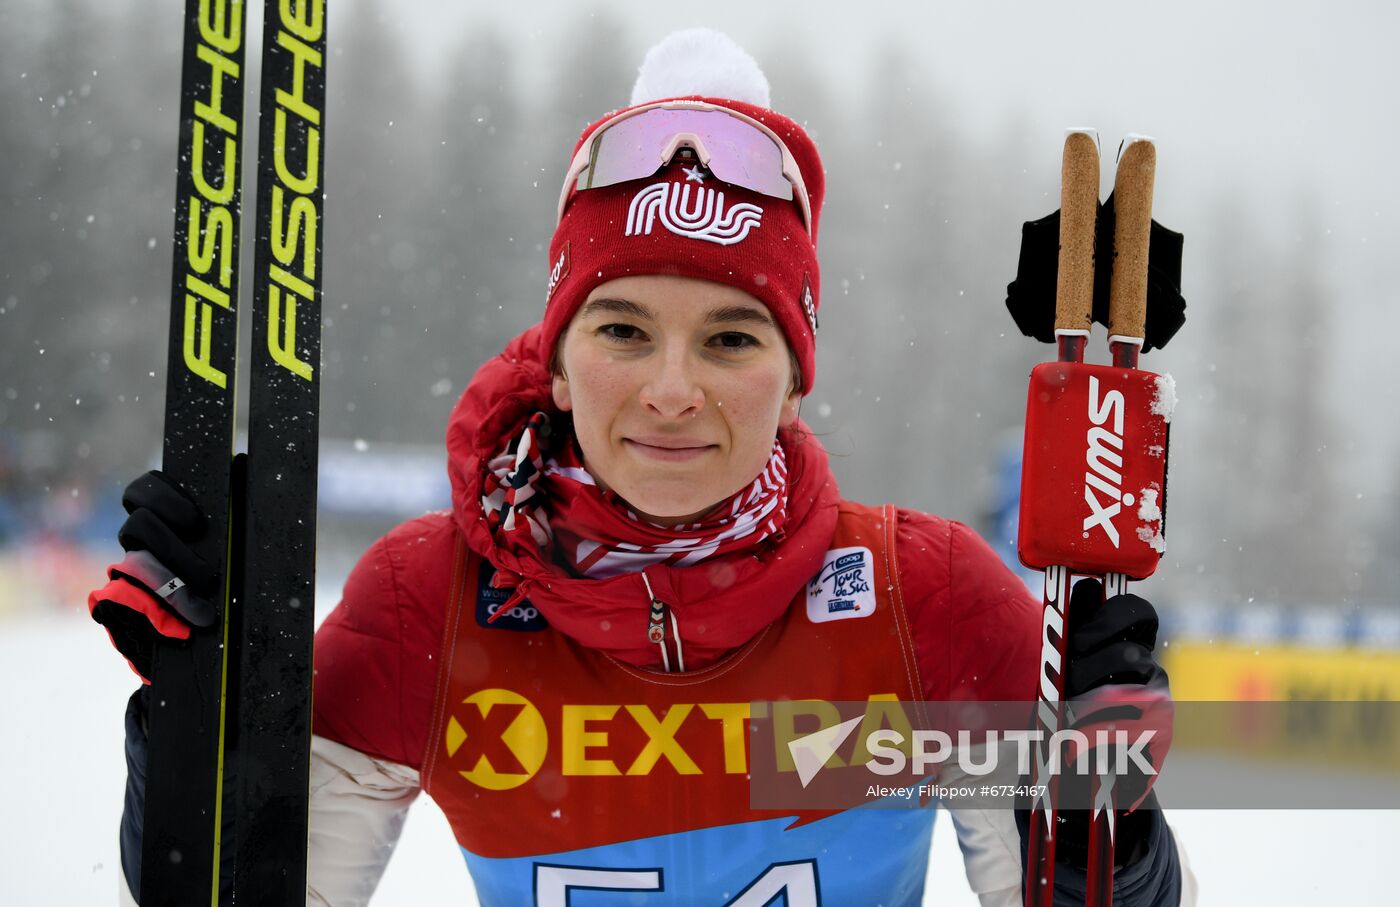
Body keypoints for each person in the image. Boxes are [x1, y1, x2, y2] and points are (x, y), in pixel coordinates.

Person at [90, 28, 1195, 907]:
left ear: (794, 377)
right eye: (620, 331)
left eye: (729, 338)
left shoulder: (927, 602)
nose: (672, 388)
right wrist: (200, 727)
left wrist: (1111, 829)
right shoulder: (425, 603)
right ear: (558, 364)